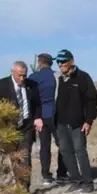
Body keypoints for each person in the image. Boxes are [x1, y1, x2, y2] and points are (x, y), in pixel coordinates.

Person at [0, 61, 44, 191]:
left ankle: (24, 188)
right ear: (12, 72)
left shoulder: (32, 85)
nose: (22, 78)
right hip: (9, 128)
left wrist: (37, 117)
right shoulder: (1, 85)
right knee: (13, 159)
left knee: (25, 157)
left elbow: (37, 104)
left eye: (24, 75)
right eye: (19, 75)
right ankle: (15, 187)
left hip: (26, 127)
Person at [53, 50, 97, 193]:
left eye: (63, 61)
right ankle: (76, 180)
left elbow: (92, 100)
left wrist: (88, 121)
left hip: (78, 123)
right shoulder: (59, 79)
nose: (61, 64)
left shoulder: (83, 78)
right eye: (58, 61)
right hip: (61, 123)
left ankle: (87, 183)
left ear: (71, 61)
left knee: (80, 151)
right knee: (65, 151)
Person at [29, 53, 67, 185]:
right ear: (51, 63)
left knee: (44, 146)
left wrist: (35, 117)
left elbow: (31, 99)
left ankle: (46, 176)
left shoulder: (33, 78)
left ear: (39, 63)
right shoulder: (57, 76)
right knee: (62, 144)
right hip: (56, 114)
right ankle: (62, 173)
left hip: (41, 116)